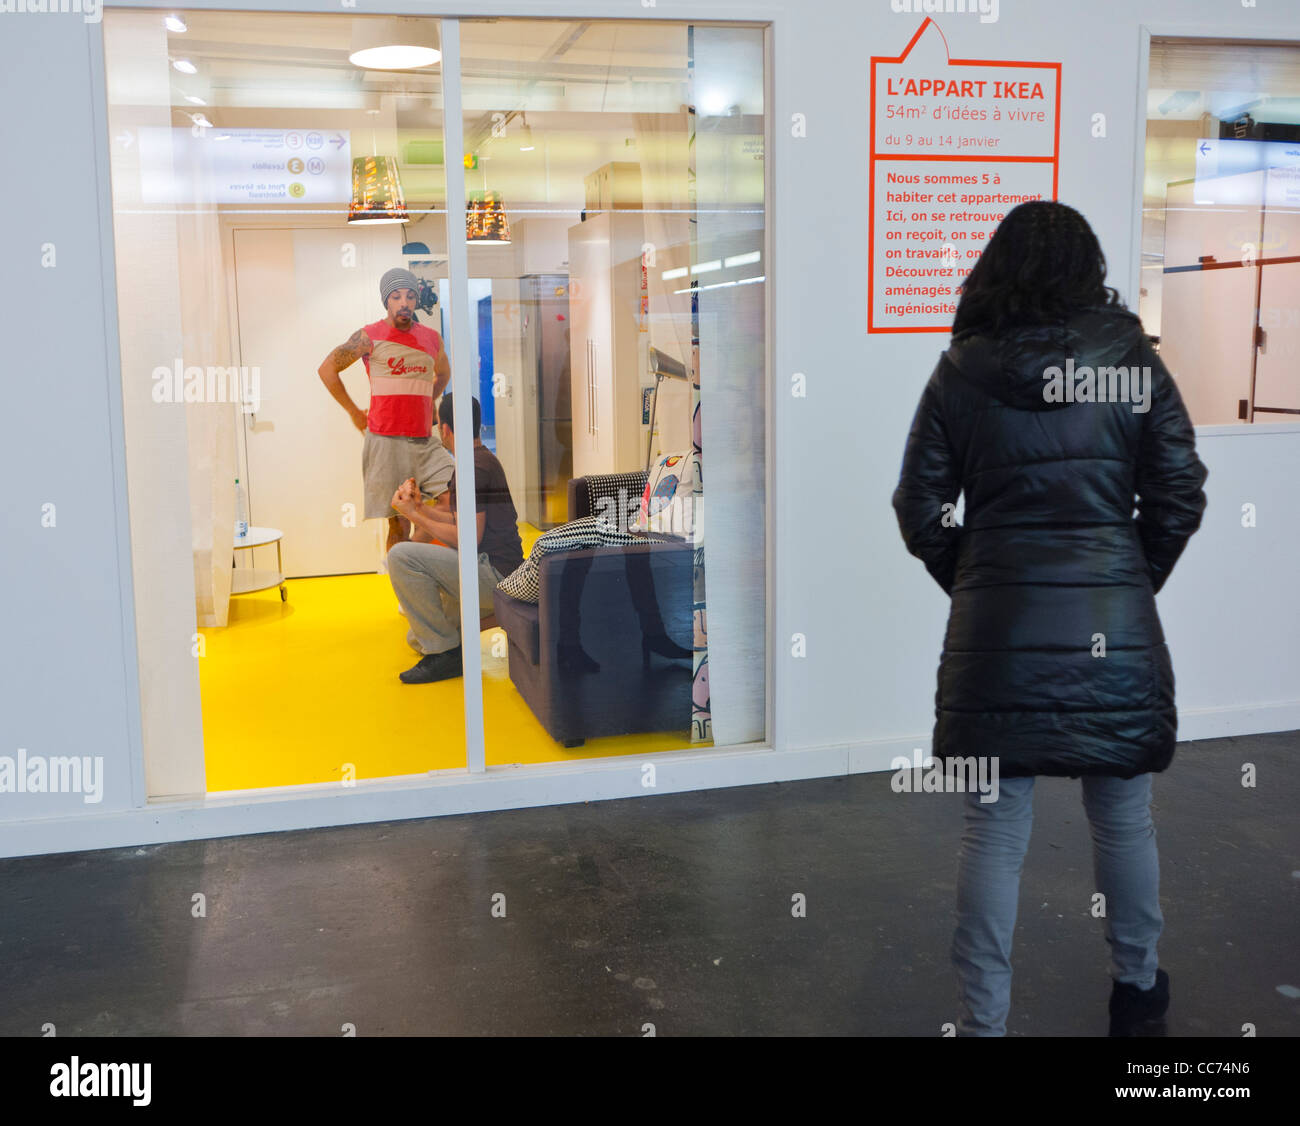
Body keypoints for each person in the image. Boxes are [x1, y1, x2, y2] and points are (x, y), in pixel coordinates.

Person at [891, 200, 1208, 1037]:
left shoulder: (963, 370)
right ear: (1088, 269)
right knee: (1123, 814)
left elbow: (918, 505)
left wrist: (980, 583)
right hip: (1115, 630)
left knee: (993, 827)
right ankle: (1137, 993)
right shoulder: (1129, 361)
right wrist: (1130, 583)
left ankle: (985, 1023)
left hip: (998, 638)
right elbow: (1179, 491)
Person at [386, 394, 524, 684]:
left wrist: (413, 515)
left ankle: (445, 656)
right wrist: (420, 508)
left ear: (445, 429)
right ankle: (472, 632)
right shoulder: (480, 460)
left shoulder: (472, 469)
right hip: (498, 568)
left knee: (400, 555)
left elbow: (468, 537)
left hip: (493, 571)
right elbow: (461, 521)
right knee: (417, 639)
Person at [317, 267, 453, 555]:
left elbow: (442, 374)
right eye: (396, 296)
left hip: (425, 440)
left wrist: (429, 400)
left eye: (410, 296)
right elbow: (327, 369)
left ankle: (408, 563)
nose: (404, 302)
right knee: (399, 524)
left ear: (416, 300)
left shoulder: (431, 337)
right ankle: (404, 591)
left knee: (452, 498)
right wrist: (354, 412)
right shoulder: (368, 337)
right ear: (386, 301)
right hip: (386, 440)